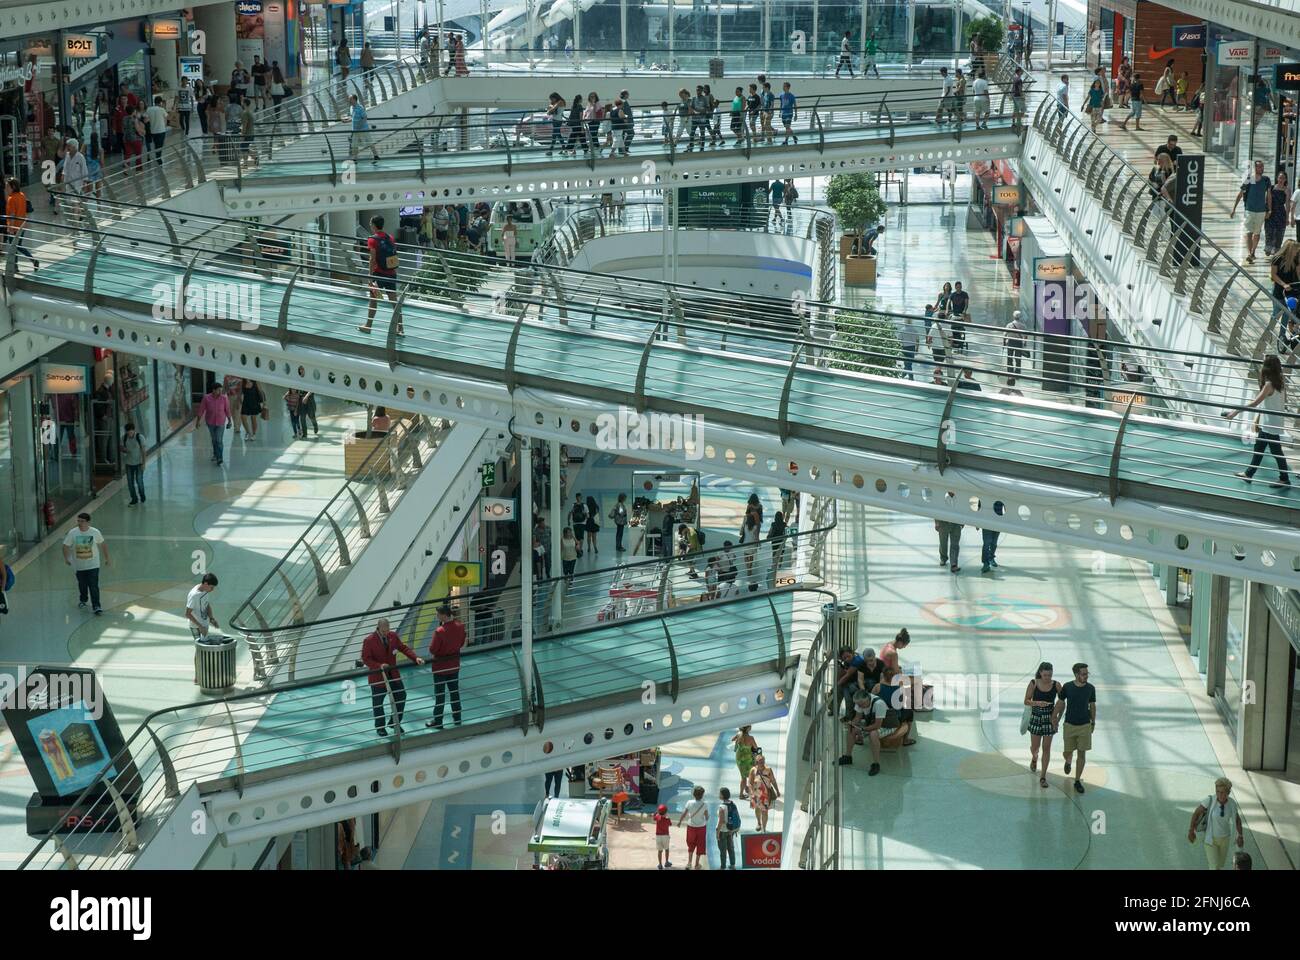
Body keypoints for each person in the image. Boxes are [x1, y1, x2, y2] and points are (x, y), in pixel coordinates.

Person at [1223, 355, 1291, 487]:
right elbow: (1283, 401)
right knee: (1259, 448)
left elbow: (1255, 403)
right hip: (1272, 422)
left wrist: (1235, 412)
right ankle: (1249, 474)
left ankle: (1284, 478)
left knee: (1276, 451)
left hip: (1270, 424)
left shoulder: (1269, 384)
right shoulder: (1281, 382)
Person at [361, 618, 424, 737]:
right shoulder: (369, 640)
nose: (386, 633)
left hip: (393, 675)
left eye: (387, 630)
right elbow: (366, 659)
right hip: (378, 678)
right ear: (378, 628)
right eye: (384, 631)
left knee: (401, 696)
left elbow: (403, 648)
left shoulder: (393, 636)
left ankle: (394, 722)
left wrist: (415, 658)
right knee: (378, 703)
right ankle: (380, 727)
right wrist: (379, 666)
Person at [1052, 662, 1096, 794]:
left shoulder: (1090, 688)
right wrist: (1054, 717)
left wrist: (1093, 722)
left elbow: (1092, 706)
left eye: (1087, 673)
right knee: (1067, 751)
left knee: (1082, 753)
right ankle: (1068, 760)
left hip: (1084, 725)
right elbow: (1060, 702)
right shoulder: (1067, 687)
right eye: (1083, 674)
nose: (1086, 676)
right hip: (1069, 725)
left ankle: (1077, 780)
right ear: (1076, 674)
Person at [1189, 778, 1244, 869]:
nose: (1219, 795)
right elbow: (1196, 813)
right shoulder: (1209, 800)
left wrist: (1240, 836)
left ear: (1228, 792)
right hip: (1210, 839)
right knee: (1214, 866)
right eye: (1217, 791)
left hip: (1225, 839)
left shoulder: (1232, 804)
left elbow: (1237, 820)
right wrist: (1191, 830)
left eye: (1222, 792)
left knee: (1220, 865)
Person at [426, 604, 466, 730]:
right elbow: (461, 642)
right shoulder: (460, 626)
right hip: (454, 665)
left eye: (438, 614)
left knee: (440, 695)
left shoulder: (440, 631)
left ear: (444, 615)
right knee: (454, 692)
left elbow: (433, 649)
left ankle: (438, 720)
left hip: (440, 667)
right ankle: (457, 718)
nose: (436, 616)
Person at [359, 215, 401, 334]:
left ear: (373, 225)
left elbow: (372, 259)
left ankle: (368, 326)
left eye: (370, 223)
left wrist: (370, 275)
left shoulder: (372, 240)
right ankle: (400, 328)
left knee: (373, 300)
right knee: (394, 302)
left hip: (378, 274)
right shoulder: (390, 238)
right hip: (391, 273)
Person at [62, 512, 109, 615]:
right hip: (79, 565)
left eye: (82, 521)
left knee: (93, 585)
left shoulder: (95, 532)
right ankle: (83, 599)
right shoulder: (73, 533)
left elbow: (103, 544)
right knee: (82, 585)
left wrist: (107, 558)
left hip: (93, 564)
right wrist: (66, 558)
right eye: (78, 521)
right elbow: (65, 545)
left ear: (88, 522)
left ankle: (96, 605)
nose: (79, 523)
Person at [1023, 662, 1060, 788]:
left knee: (1047, 748)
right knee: (1035, 747)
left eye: (1050, 675)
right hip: (1036, 716)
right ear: (1040, 673)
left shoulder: (1056, 685)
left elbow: (1062, 701)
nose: (1048, 678)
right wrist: (1038, 703)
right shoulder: (1033, 683)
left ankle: (1043, 776)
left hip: (1050, 718)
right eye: (1045, 675)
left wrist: (1057, 717)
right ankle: (1034, 757)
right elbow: (1026, 701)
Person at [1230, 159, 1272, 264]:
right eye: (1259, 167)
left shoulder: (1266, 180)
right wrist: (1234, 209)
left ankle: (1253, 252)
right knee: (1249, 232)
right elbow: (1240, 194)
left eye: (1262, 167)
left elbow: (1269, 196)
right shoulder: (1249, 179)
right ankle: (1250, 253)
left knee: (1257, 233)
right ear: (1255, 168)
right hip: (1249, 209)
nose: (1261, 168)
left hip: (1261, 210)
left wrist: (1269, 210)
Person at [838, 689, 885, 775]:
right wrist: (852, 724)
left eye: (862, 704)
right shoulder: (861, 703)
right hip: (871, 722)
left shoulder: (879, 704)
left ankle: (876, 764)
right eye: (859, 705)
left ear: (868, 698)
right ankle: (848, 757)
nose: (860, 706)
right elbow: (857, 717)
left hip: (886, 725)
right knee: (851, 728)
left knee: (873, 734)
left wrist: (863, 729)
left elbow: (878, 725)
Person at [193, 381, 232, 466]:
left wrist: (229, 421)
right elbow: (201, 410)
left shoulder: (224, 398)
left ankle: (220, 457)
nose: (220, 392)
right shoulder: (206, 398)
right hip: (210, 422)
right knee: (214, 440)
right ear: (213, 390)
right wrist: (198, 422)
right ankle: (215, 453)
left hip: (221, 422)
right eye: (218, 390)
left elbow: (227, 410)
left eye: (221, 390)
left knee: (219, 440)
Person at [3, 178, 38, 272]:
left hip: (14, 227)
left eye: (7, 186)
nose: (6, 188)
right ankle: (16, 267)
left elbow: (12, 215)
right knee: (16, 246)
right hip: (22, 225)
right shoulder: (22, 195)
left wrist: (10, 228)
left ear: (13, 187)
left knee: (14, 247)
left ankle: (31, 260)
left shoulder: (11, 199)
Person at [677, 784, 710, 870]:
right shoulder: (704, 804)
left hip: (691, 826)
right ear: (702, 795)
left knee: (691, 844)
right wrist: (705, 818)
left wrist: (680, 822)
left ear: (693, 794)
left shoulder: (689, 802)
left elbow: (684, 813)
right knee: (700, 845)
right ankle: (696, 864)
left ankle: (689, 863)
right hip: (701, 827)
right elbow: (707, 817)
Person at [746, 753, 779, 832]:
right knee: (757, 809)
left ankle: (764, 828)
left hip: (766, 795)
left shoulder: (768, 770)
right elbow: (750, 783)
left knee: (765, 811)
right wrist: (751, 793)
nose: (762, 763)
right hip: (756, 794)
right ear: (756, 762)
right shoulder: (753, 770)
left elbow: (773, 781)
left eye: (763, 761)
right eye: (760, 761)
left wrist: (777, 790)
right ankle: (758, 823)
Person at [185, 572, 220, 641]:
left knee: (205, 647)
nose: (212, 590)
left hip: (204, 624)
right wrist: (200, 627)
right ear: (206, 584)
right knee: (200, 647)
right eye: (211, 587)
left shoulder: (205, 590)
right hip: (196, 626)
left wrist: (211, 618)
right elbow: (187, 614)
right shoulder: (194, 595)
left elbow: (206, 604)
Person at [348, 94, 380, 164]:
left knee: (369, 141)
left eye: (350, 99)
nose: (349, 101)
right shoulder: (351, 108)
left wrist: (360, 125)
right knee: (354, 144)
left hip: (363, 129)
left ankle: (376, 155)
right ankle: (355, 158)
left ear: (354, 100)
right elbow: (352, 118)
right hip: (355, 130)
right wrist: (347, 121)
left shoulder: (360, 108)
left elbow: (365, 118)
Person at [1266, 169, 1290, 256]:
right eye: (1280, 178)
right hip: (1271, 212)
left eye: (1283, 178)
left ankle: (1276, 250)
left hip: (1281, 213)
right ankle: (1268, 248)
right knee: (1269, 231)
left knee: (1279, 232)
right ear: (1277, 178)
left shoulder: (1287, 190)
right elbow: (1267, 200)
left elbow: (1287, 204)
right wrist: (1268, 211)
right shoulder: (1271, 188)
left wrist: (1287, 217)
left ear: (1285, 179)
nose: (1281, 180)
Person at [122, 421, 147, 505]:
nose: (129, 434)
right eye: (128, 432)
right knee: (130, 482)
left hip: (139, 463)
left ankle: (142, 496)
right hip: (129, 464)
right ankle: (134, 498)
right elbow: (121, 447)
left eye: (131, 431)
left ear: (134, 430)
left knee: (139, 481)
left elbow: (143, 451)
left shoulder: (140, 437)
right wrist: (124, 450)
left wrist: (144, 463)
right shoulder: (124, 437)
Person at [715, 787, 739, 869]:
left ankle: (723, 866)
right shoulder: (733, 804)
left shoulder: (722, 807)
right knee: (731, 848)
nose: (719, 795)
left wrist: (717, 832)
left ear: (722, 795)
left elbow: (721, 821)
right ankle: (733, 865)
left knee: (723, 850)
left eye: (719, 793)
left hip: (723, 831)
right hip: (731, 830)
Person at [732, 725, 757, 798]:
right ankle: (752, 793)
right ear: (748, 729)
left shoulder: (739, 734)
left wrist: (737, 739)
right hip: (748, 759)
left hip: (739, 758)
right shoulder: (751, 738)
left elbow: (732, 739)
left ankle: (741, 794)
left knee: (743, 777)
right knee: (751, 776)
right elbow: (756, 748)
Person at [980, 500, 1005, 572]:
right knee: (987, 543)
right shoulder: (984, 493)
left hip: (998, 521)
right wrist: (977, 522)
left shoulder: (1001, 494)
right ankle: (985, 563)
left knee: (994, 543)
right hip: (986, 521)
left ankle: (991, 557)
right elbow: (979, 507)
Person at [1003, 310, 1027, 376]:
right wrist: (1024, 343)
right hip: (1019, 343)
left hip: (1010, 342)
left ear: (1013, 316)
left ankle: (1010, 371)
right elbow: (1025, 335)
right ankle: (1017, 372)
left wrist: (1004, 342)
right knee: (1018, 358)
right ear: (1020, 317)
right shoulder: (1023, 326)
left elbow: (1005, 334)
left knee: (1009, 357)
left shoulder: (1009, 325)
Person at [653, 803, 673, 869]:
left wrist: (656, 813)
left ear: (659, 812)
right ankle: (666, 862)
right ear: (666, 812)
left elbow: (654, 817)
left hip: (658, 836)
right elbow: (670, 824)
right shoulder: (667, 819)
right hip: (665, 836)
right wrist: (667, 817)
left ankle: (660, 864)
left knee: (660, 851)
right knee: (666, 849)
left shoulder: (657, 817)